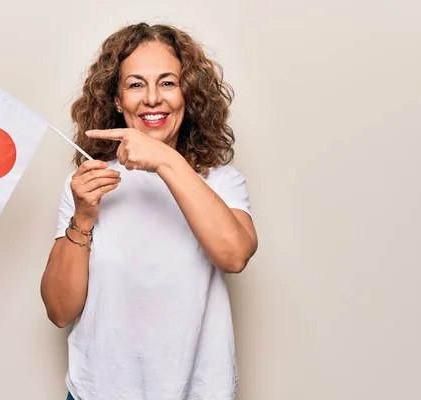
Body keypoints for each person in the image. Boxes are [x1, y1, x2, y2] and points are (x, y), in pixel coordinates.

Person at [40, 22, 258, 400]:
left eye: (168, 83)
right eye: (136, 84)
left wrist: (163, 159)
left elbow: (234, 255)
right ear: (116, 99)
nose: (152, 98)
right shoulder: (89, 185)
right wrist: (83, 218)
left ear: (188, 94)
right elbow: (60, 311)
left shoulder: (221, 182)